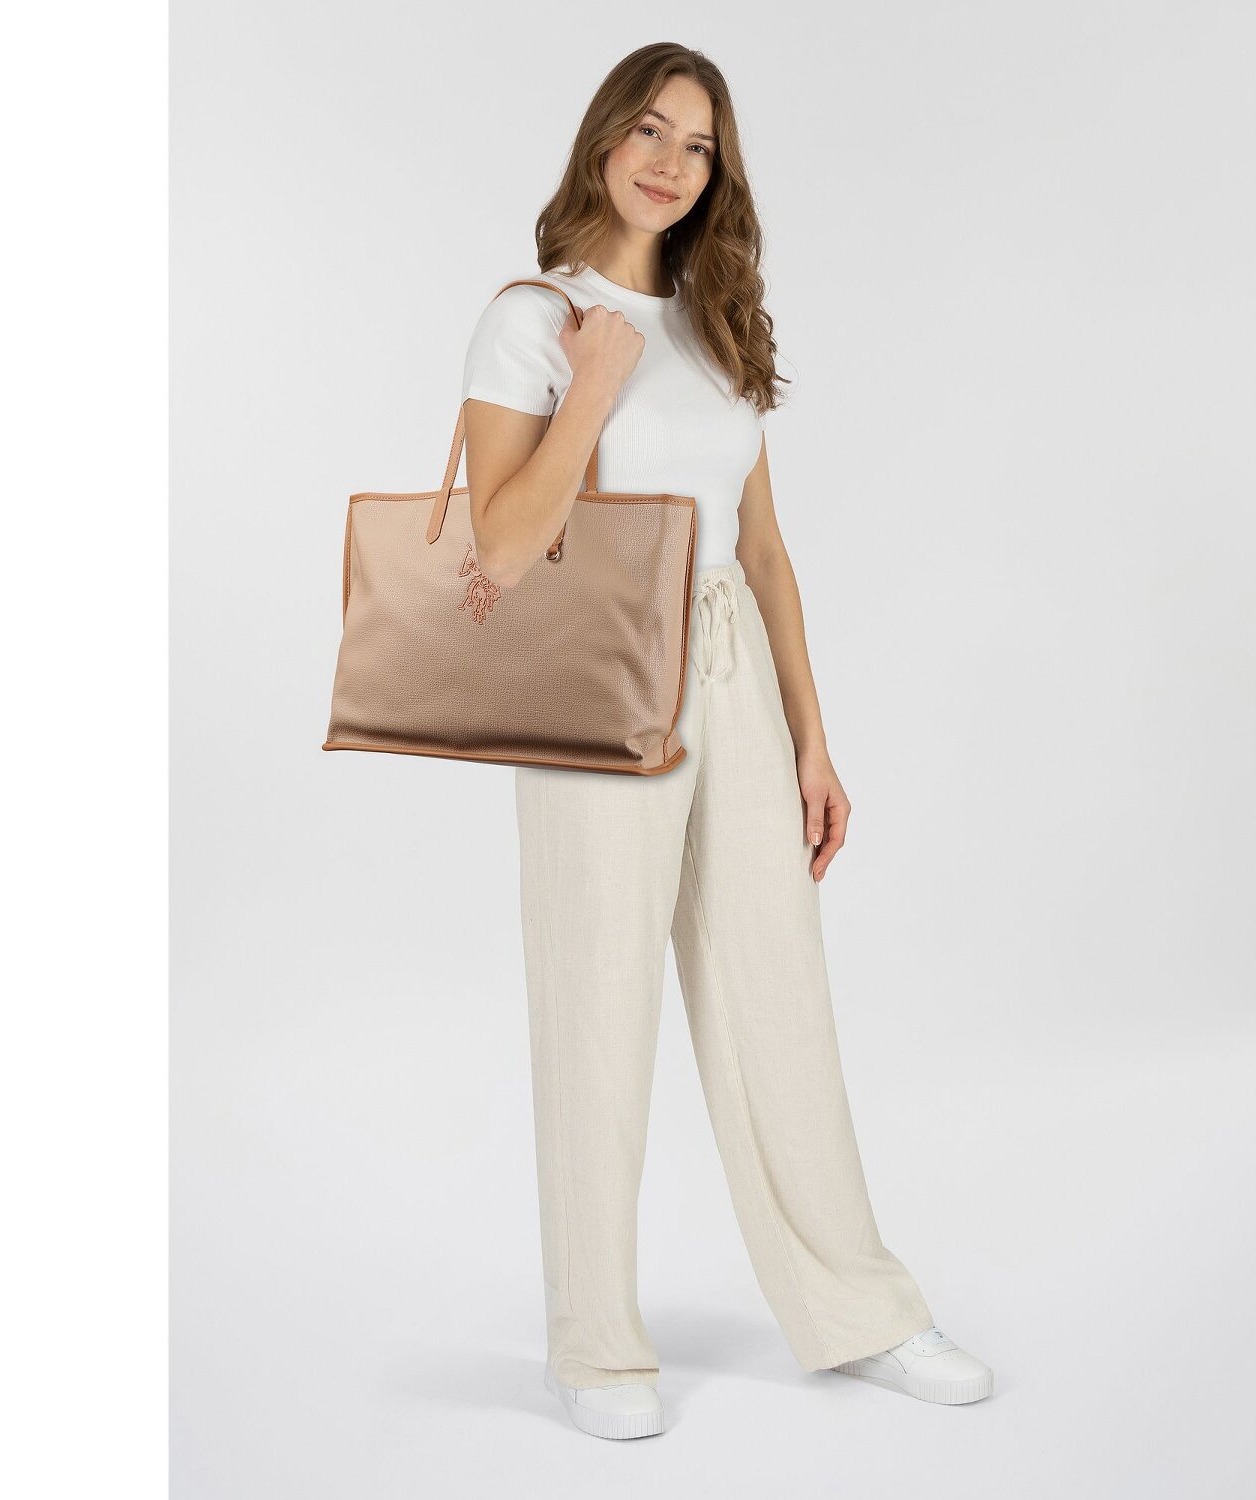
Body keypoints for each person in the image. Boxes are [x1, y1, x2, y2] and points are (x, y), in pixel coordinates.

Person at [459, 42, 993, 1440]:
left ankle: (860, 1307)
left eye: (699, 146)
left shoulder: (715, 322)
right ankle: (594, 1343)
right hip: (594, 671)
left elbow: (762, 548)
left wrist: (813, 740)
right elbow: (496, 550)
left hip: (731, 664)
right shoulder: (535, 318)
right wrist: (589, 387)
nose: (671, 163)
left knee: (778, 989)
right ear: (602, 139)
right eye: (651, 129)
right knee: (598, 1004)